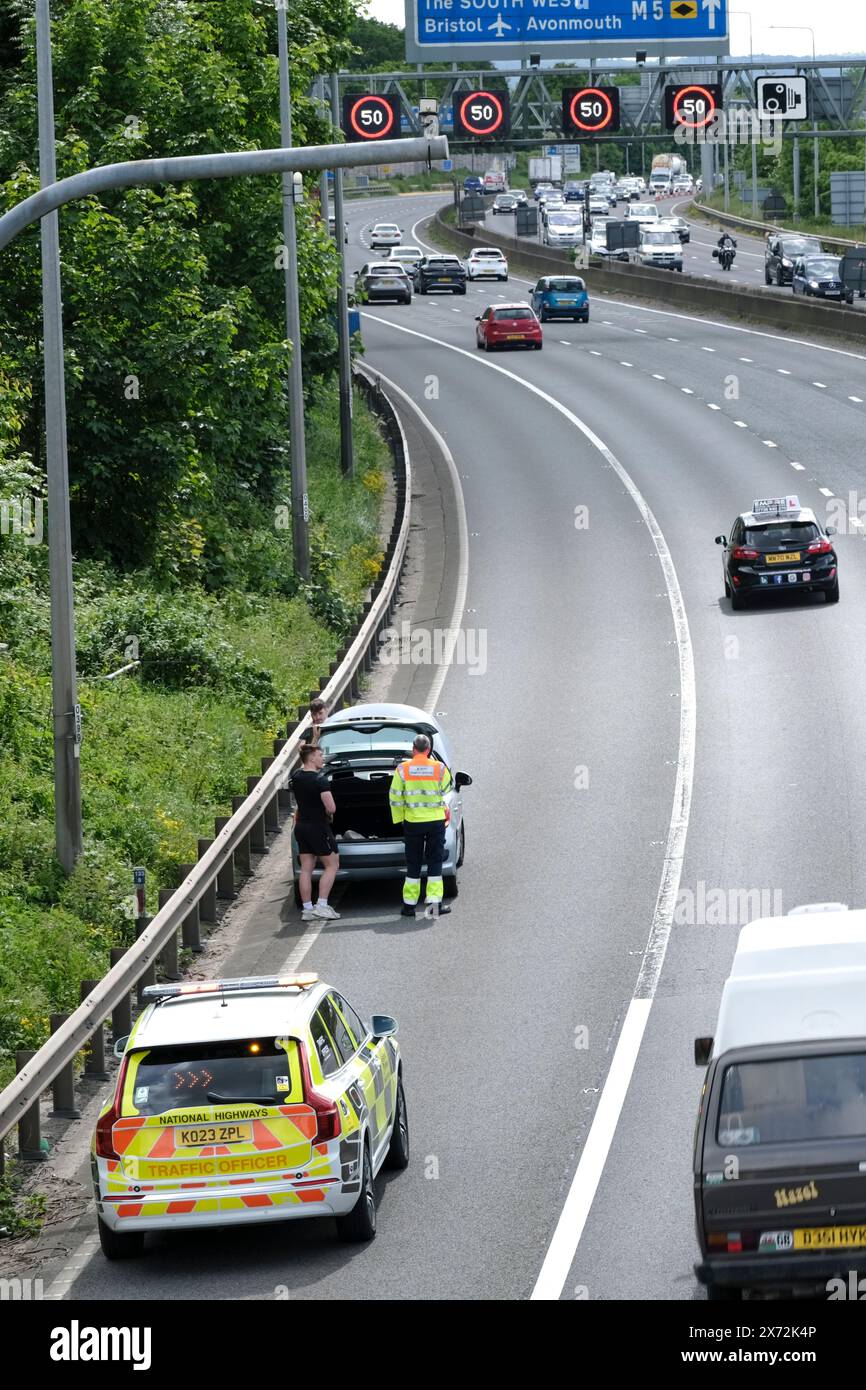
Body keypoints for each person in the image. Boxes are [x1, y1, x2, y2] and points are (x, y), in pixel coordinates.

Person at [389, 734, 453, 917]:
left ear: (413, 749)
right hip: (435, 822)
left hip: (413, 822)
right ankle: (434, 906)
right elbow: (447, 789)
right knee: (434, 862)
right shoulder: (439, 768)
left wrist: (399, 819)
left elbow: (394, 796)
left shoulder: (403, 769)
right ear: (429, 750)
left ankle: (409, 906)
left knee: (413, 863)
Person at [291, 743, 340, 921]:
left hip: (301, 827)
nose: (322, 758)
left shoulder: (296, 776)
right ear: (311, 758)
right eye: (320, 755)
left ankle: (307, 910)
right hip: (318, 827)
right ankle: (322, 905)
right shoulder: (320, 779)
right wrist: (327, 813)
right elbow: (331, 808)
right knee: (332, 864)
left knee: (306, 868)